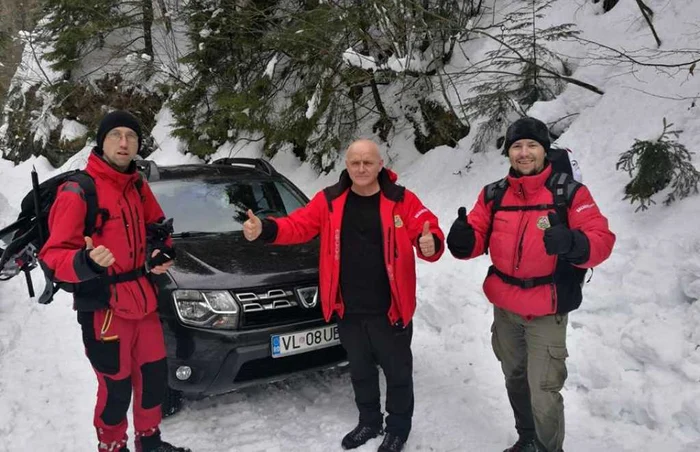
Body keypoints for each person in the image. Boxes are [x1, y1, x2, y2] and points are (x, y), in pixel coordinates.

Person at [243, 139, 444, 452]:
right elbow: (299, 225)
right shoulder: (331, 200)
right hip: (348, 308)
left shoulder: (400, 199)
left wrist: (431, 244)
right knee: (360, 371)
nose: (361, 168)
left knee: (398, 373)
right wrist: (266, 229)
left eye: (367, 162)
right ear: (347, 166)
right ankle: (369, 422)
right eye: (355, 163)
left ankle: (398, 429)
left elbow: (426, 226)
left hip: (390, 309)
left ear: (381, 165)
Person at [446, 117, 615, 452]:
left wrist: (572, 243)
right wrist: (464, 240)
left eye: (531, 145)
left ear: (544, 150)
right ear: (509, 151)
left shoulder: (569, 192)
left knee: (544, 389)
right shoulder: (493, 193)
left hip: (546, 309)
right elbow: (478, 235)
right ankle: (526, 438)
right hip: (506, 308)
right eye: (516, 146)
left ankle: (549, 448)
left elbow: (601, 238)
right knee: (515, 379)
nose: (523, 153)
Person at [39, 110, 190, 452]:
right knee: (115, 388)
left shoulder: (137, 185)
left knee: (153, 380)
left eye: (131, 136)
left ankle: (149, 443)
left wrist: (159, 254)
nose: (124, 143)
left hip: (144, 303)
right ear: (102, 141)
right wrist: (85, 261)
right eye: (115, 135)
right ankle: (112, 446)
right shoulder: (79, 191)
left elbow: (159, 231)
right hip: (104, 309)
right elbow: (52, 256)